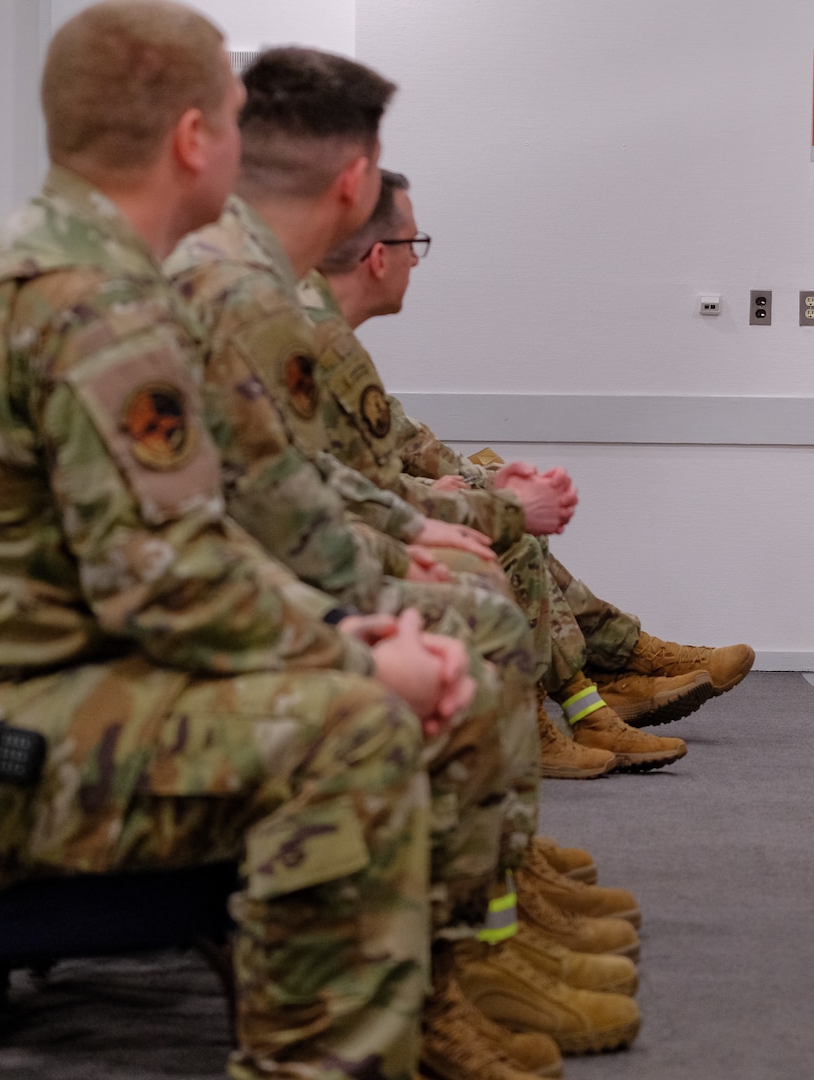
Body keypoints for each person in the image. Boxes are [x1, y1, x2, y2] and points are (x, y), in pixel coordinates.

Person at [0, 5, 493, 1079]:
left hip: (66, 683)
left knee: (360, 684)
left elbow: (191, 551)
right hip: (25, 729)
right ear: (191, 139)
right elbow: (168, 586)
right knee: (351, 729)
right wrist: (361, 654)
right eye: (232, 120)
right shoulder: (97, 307)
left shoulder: (83, 274)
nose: (244, 146)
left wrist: (335, 623)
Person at [163, 46, 641, 1065]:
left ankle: (476, 948)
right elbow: (223, 516)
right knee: (460, 617)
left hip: (183, 613)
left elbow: (285, 480)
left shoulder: (242, 285)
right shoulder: (242, 297)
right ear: (354, 184)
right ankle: (447, 975)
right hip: (132, 664)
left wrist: (413, 530)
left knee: (463, 577)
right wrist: (356, 615)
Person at [305, 171, 755, 776]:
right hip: (320, 541)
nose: (420, 260)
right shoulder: (302, 331)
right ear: (379, 258)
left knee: (494, 490)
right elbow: (318, 481)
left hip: (350, 515)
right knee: (505, 532)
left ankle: (614, 668)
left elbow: (393, 439)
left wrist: (472, 483)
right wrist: (461, 503)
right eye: (415, 245)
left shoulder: (320, 329)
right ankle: (587, 690)